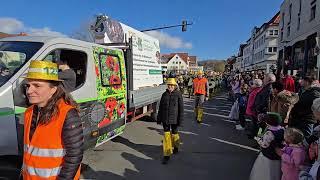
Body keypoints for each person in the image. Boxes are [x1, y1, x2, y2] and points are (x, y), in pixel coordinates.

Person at [22, 60, 83, 179]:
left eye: (37, 86)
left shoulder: (67, 114)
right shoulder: (28, 112)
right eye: (28, 85)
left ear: (53, 89)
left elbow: (74, 156)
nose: (29, 91)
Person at [250, 112, 284, 180]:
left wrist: (257, 139)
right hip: (277, 156)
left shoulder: (269, 133)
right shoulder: (282, 129)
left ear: (268, 122)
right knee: (275, 171)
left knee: (266, 172)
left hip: (268, 156)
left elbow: (264, 144)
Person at [157, 78, 184, 164]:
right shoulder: (164, 95)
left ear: (175, 86)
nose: (170, 87)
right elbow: (160, 108)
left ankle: (176, 146)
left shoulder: (178, 94)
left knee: (175, 134)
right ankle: (167, 154)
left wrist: (180, 120)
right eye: (169, 85)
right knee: (166, 135)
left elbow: (181, 109)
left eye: (172, 85)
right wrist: (159, 118)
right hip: (165, 119)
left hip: (175, 119)